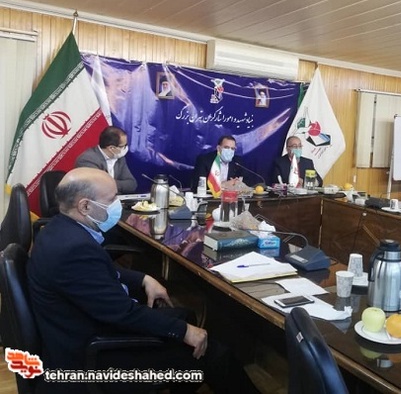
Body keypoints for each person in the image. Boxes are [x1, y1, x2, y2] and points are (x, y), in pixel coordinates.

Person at [27, 167, 257, 394]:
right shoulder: (73, 249)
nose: (117, 204)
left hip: (84, 327)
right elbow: (123, 313)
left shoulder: (60, 229)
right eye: (112, 199)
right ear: (85, 206)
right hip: (93, 357)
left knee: (185, 315)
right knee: (216, 353)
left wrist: (143, 278)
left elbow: (99, 272)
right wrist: (184, 332)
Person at [75, 126, 137, 194]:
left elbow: (132, 184)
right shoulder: (87, 159)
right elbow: (98, 188)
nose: (126, 148)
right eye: (123, 146)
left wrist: (109, 183)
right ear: (111, 148)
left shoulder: (120, 158)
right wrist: (117, 184)